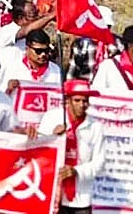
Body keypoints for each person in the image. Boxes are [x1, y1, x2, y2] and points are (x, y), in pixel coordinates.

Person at [37, 79, 104, 214]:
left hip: (81, 196)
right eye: (77, 100)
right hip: (51, 192)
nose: (82, 105)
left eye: (85, 101)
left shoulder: (95, 126)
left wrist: (76, 171)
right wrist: (52, 136)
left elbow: (99, 162)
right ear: (68, 100)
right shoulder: (52, 118)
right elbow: (38, 151)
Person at [0, 29, 62, 94]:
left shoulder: (55, 69)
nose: (43, 54)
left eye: (46, 50)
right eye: (38, 51)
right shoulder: (12, 68)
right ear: (27, 49)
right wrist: (8, 90)